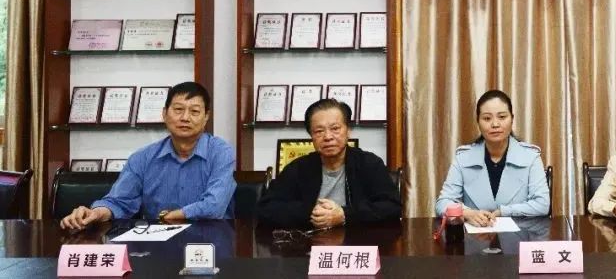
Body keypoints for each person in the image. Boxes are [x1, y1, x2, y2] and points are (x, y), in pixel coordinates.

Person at [60, 82, 235, 230]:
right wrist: (95, 213)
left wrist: (174, 216)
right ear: (164, 114)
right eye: (178, 109)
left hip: (211, 242)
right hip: (158, 244)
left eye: (194, 111)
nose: (185, 117)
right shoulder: (142, 158)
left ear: (206, 117)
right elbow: (120, 202)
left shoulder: (220, 153)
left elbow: (215, 205)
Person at [257, 99, 401, 229]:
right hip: (308, 244)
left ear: (348, 131)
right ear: (311, 136)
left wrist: (344, 215)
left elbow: (392, 207)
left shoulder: (369, 164)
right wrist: (311, 212)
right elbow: (266, 209)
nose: (327, 137)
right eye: (319, 131)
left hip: (357, 243)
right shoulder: (298, 168)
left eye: (335, 128)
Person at [435, 90, 550, 226]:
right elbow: (442, 203)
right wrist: (467, 213)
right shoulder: (463, 158)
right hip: (475, 235)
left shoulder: (530, 157)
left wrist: (503, 211)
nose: (495, 124)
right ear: (478, 122)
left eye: (502, 117)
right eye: (487, 118)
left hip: (520, 235)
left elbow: (542, 204)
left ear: (512, 119)